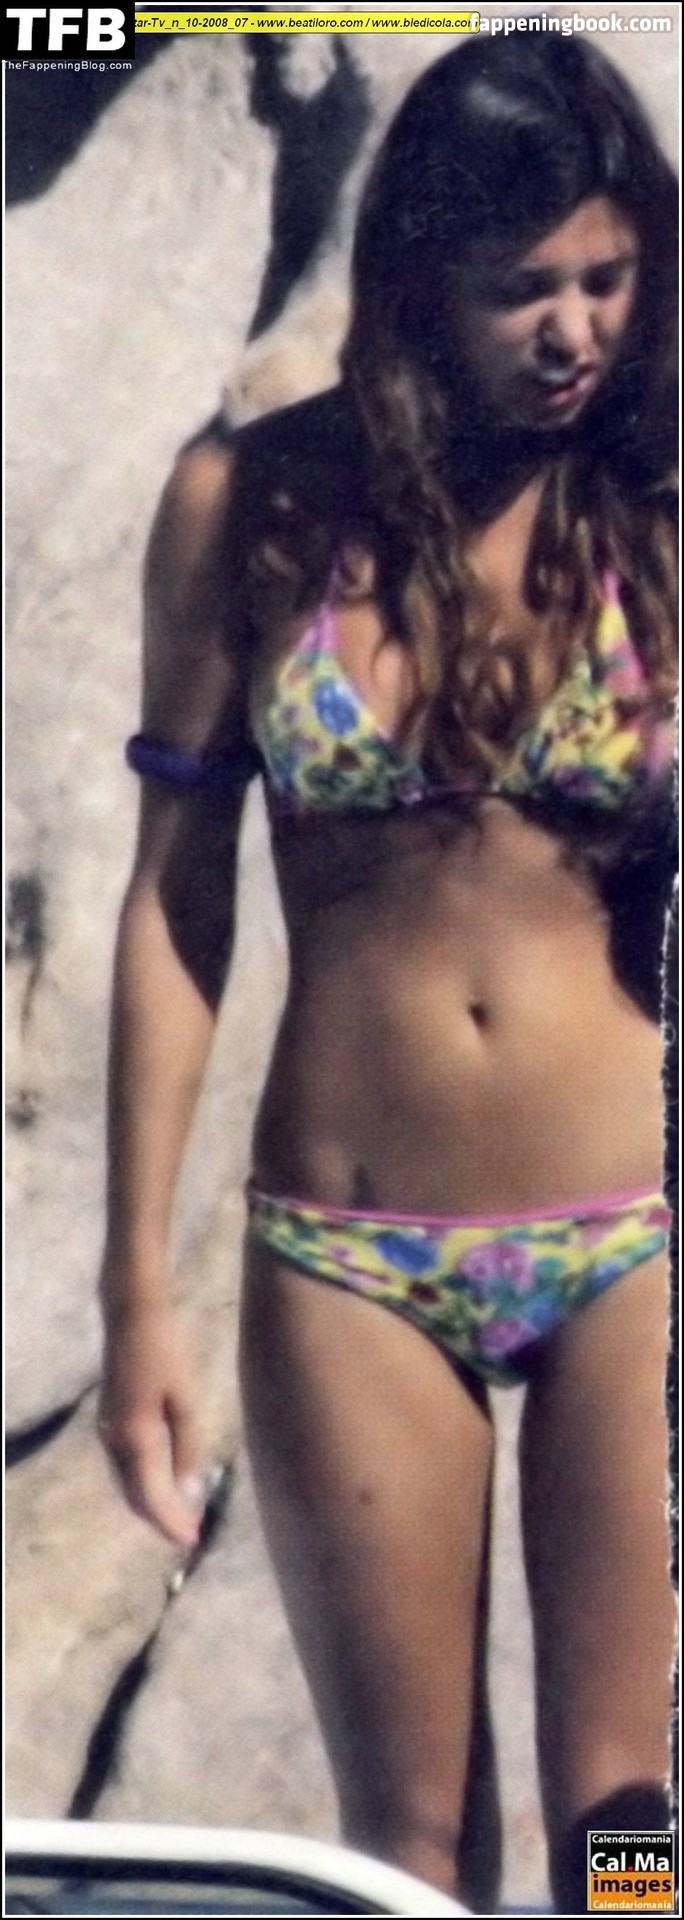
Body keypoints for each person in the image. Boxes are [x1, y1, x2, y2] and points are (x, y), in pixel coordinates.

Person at [98, 31, 678, 1915]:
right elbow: (176, 902)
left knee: (629, 1826)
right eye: (525, 288)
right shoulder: (252, 504)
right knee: (408, 1849)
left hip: (634, 1237)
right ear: (425, 277)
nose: (576, 331)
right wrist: (136, 1296)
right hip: (351, 1252)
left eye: (609, 277)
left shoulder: (660, 511)